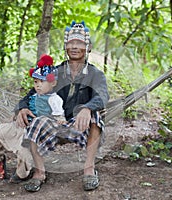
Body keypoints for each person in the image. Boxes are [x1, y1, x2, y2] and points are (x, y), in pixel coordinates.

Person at [16, 20, 109, 192]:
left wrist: (87, 108)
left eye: (80, 42)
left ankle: (89, 170)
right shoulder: (55, 73)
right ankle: (39, 172)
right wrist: (22, 107)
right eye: (70, 42)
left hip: (79, 125)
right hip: (55, 123)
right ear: (65, 47)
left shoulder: (95, 74)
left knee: (96, 115)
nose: (74, 46)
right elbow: (32, 93)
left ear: (88, 47)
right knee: (35, 120)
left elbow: (102, 96)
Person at [0, 54, 65, 184]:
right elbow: (23, 101)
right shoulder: (34, 92)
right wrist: (21, 110)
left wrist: (60, 122)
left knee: (24, 153)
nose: (38, 85)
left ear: (53, 82)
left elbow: (59, 116)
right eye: (36, 82)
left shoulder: (55, 98)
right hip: (21, 124)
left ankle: (23, 173)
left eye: (42, 82)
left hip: (35, 132)